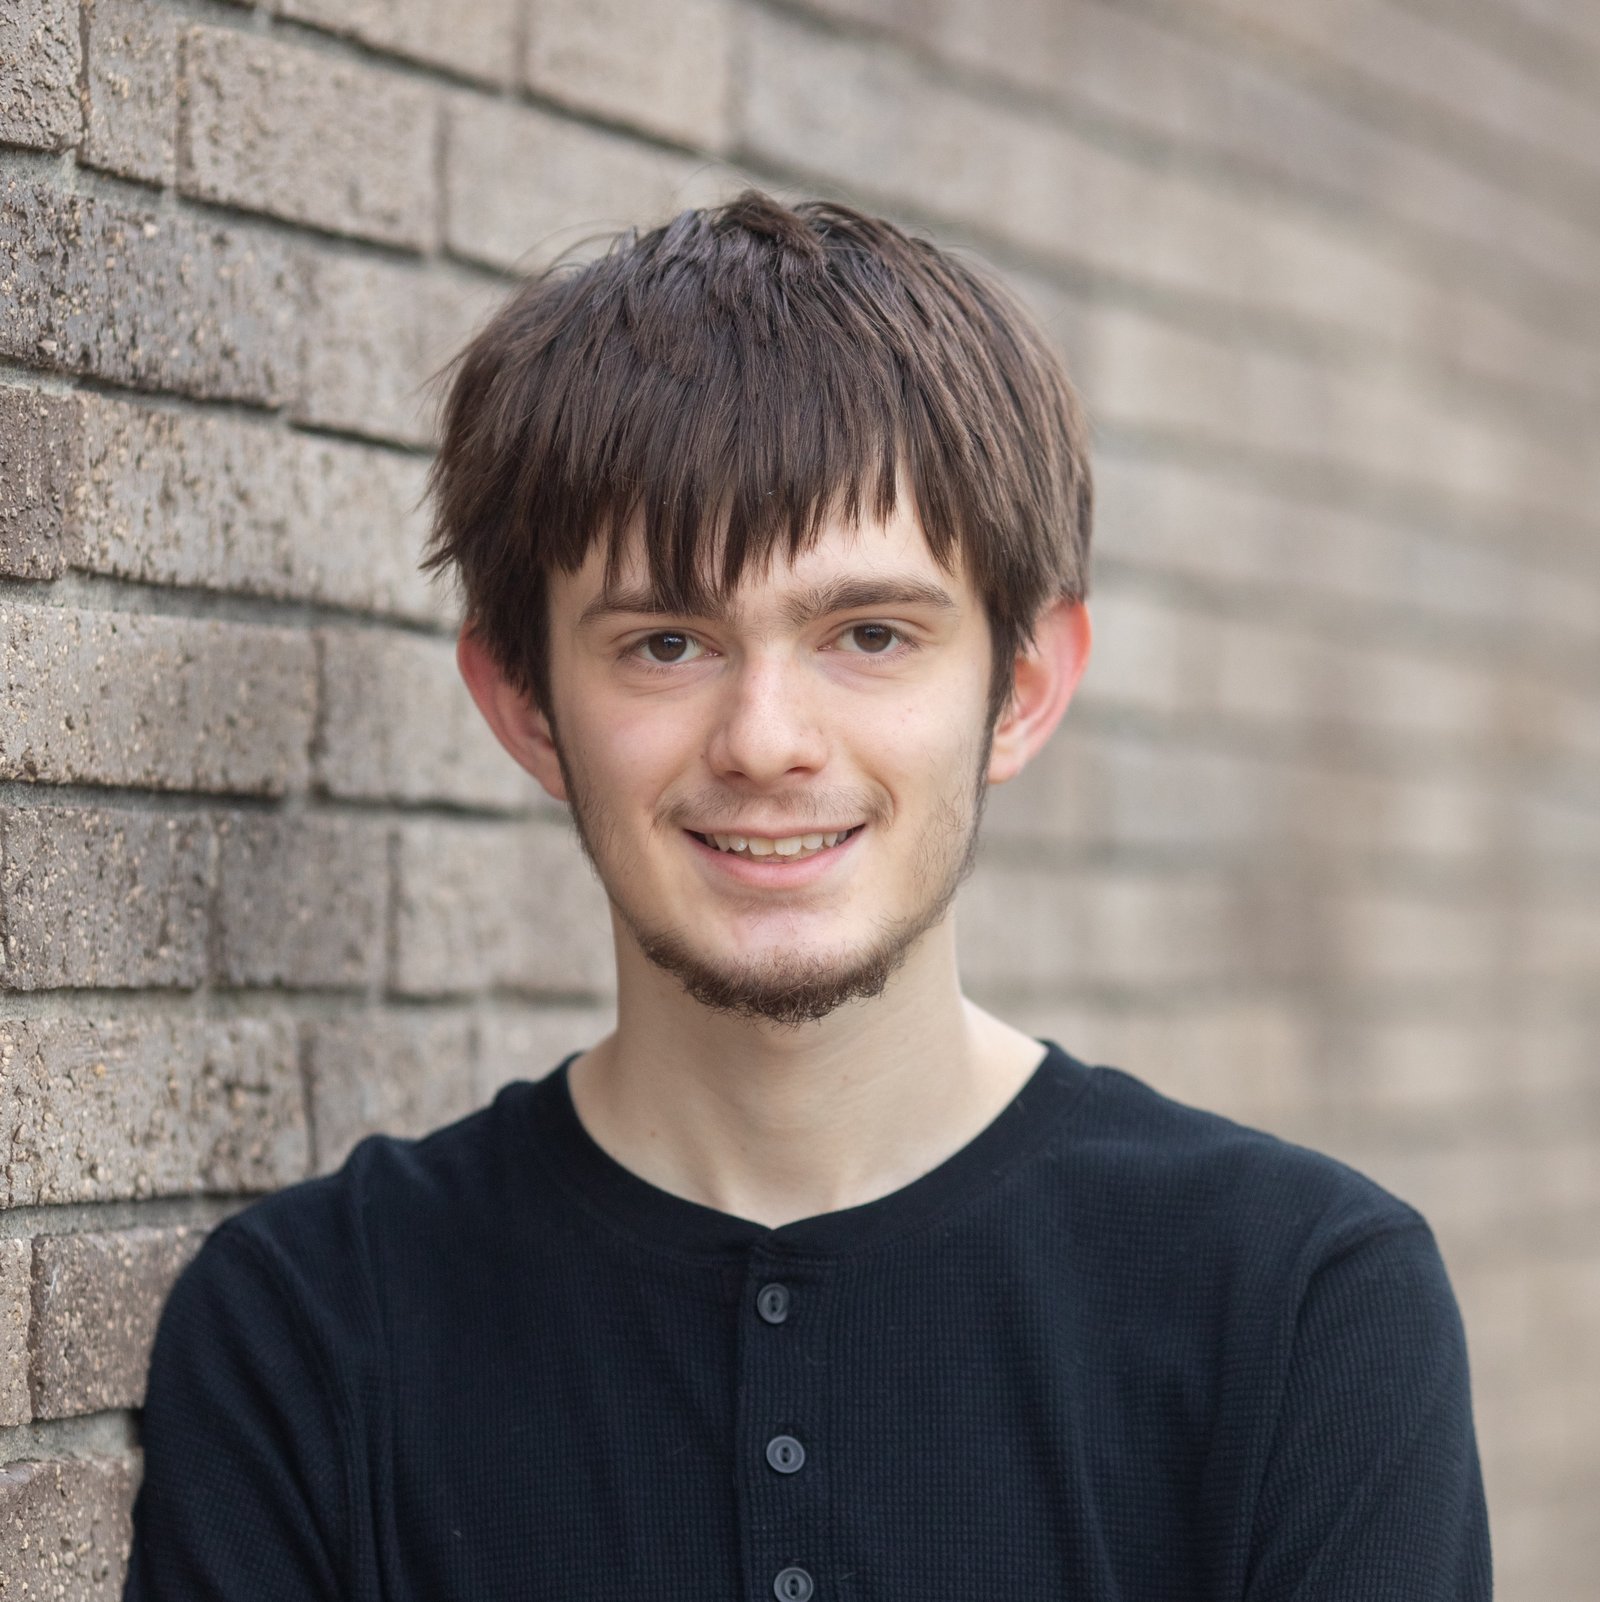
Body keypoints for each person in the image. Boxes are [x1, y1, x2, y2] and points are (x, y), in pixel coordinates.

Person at [123, 191, 1492, 1600]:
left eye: (870, 634)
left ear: (1021, 688)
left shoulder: (1303, 1305)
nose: (767, 737)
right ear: (527, 704)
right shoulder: (309, 1328)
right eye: (666, 642)